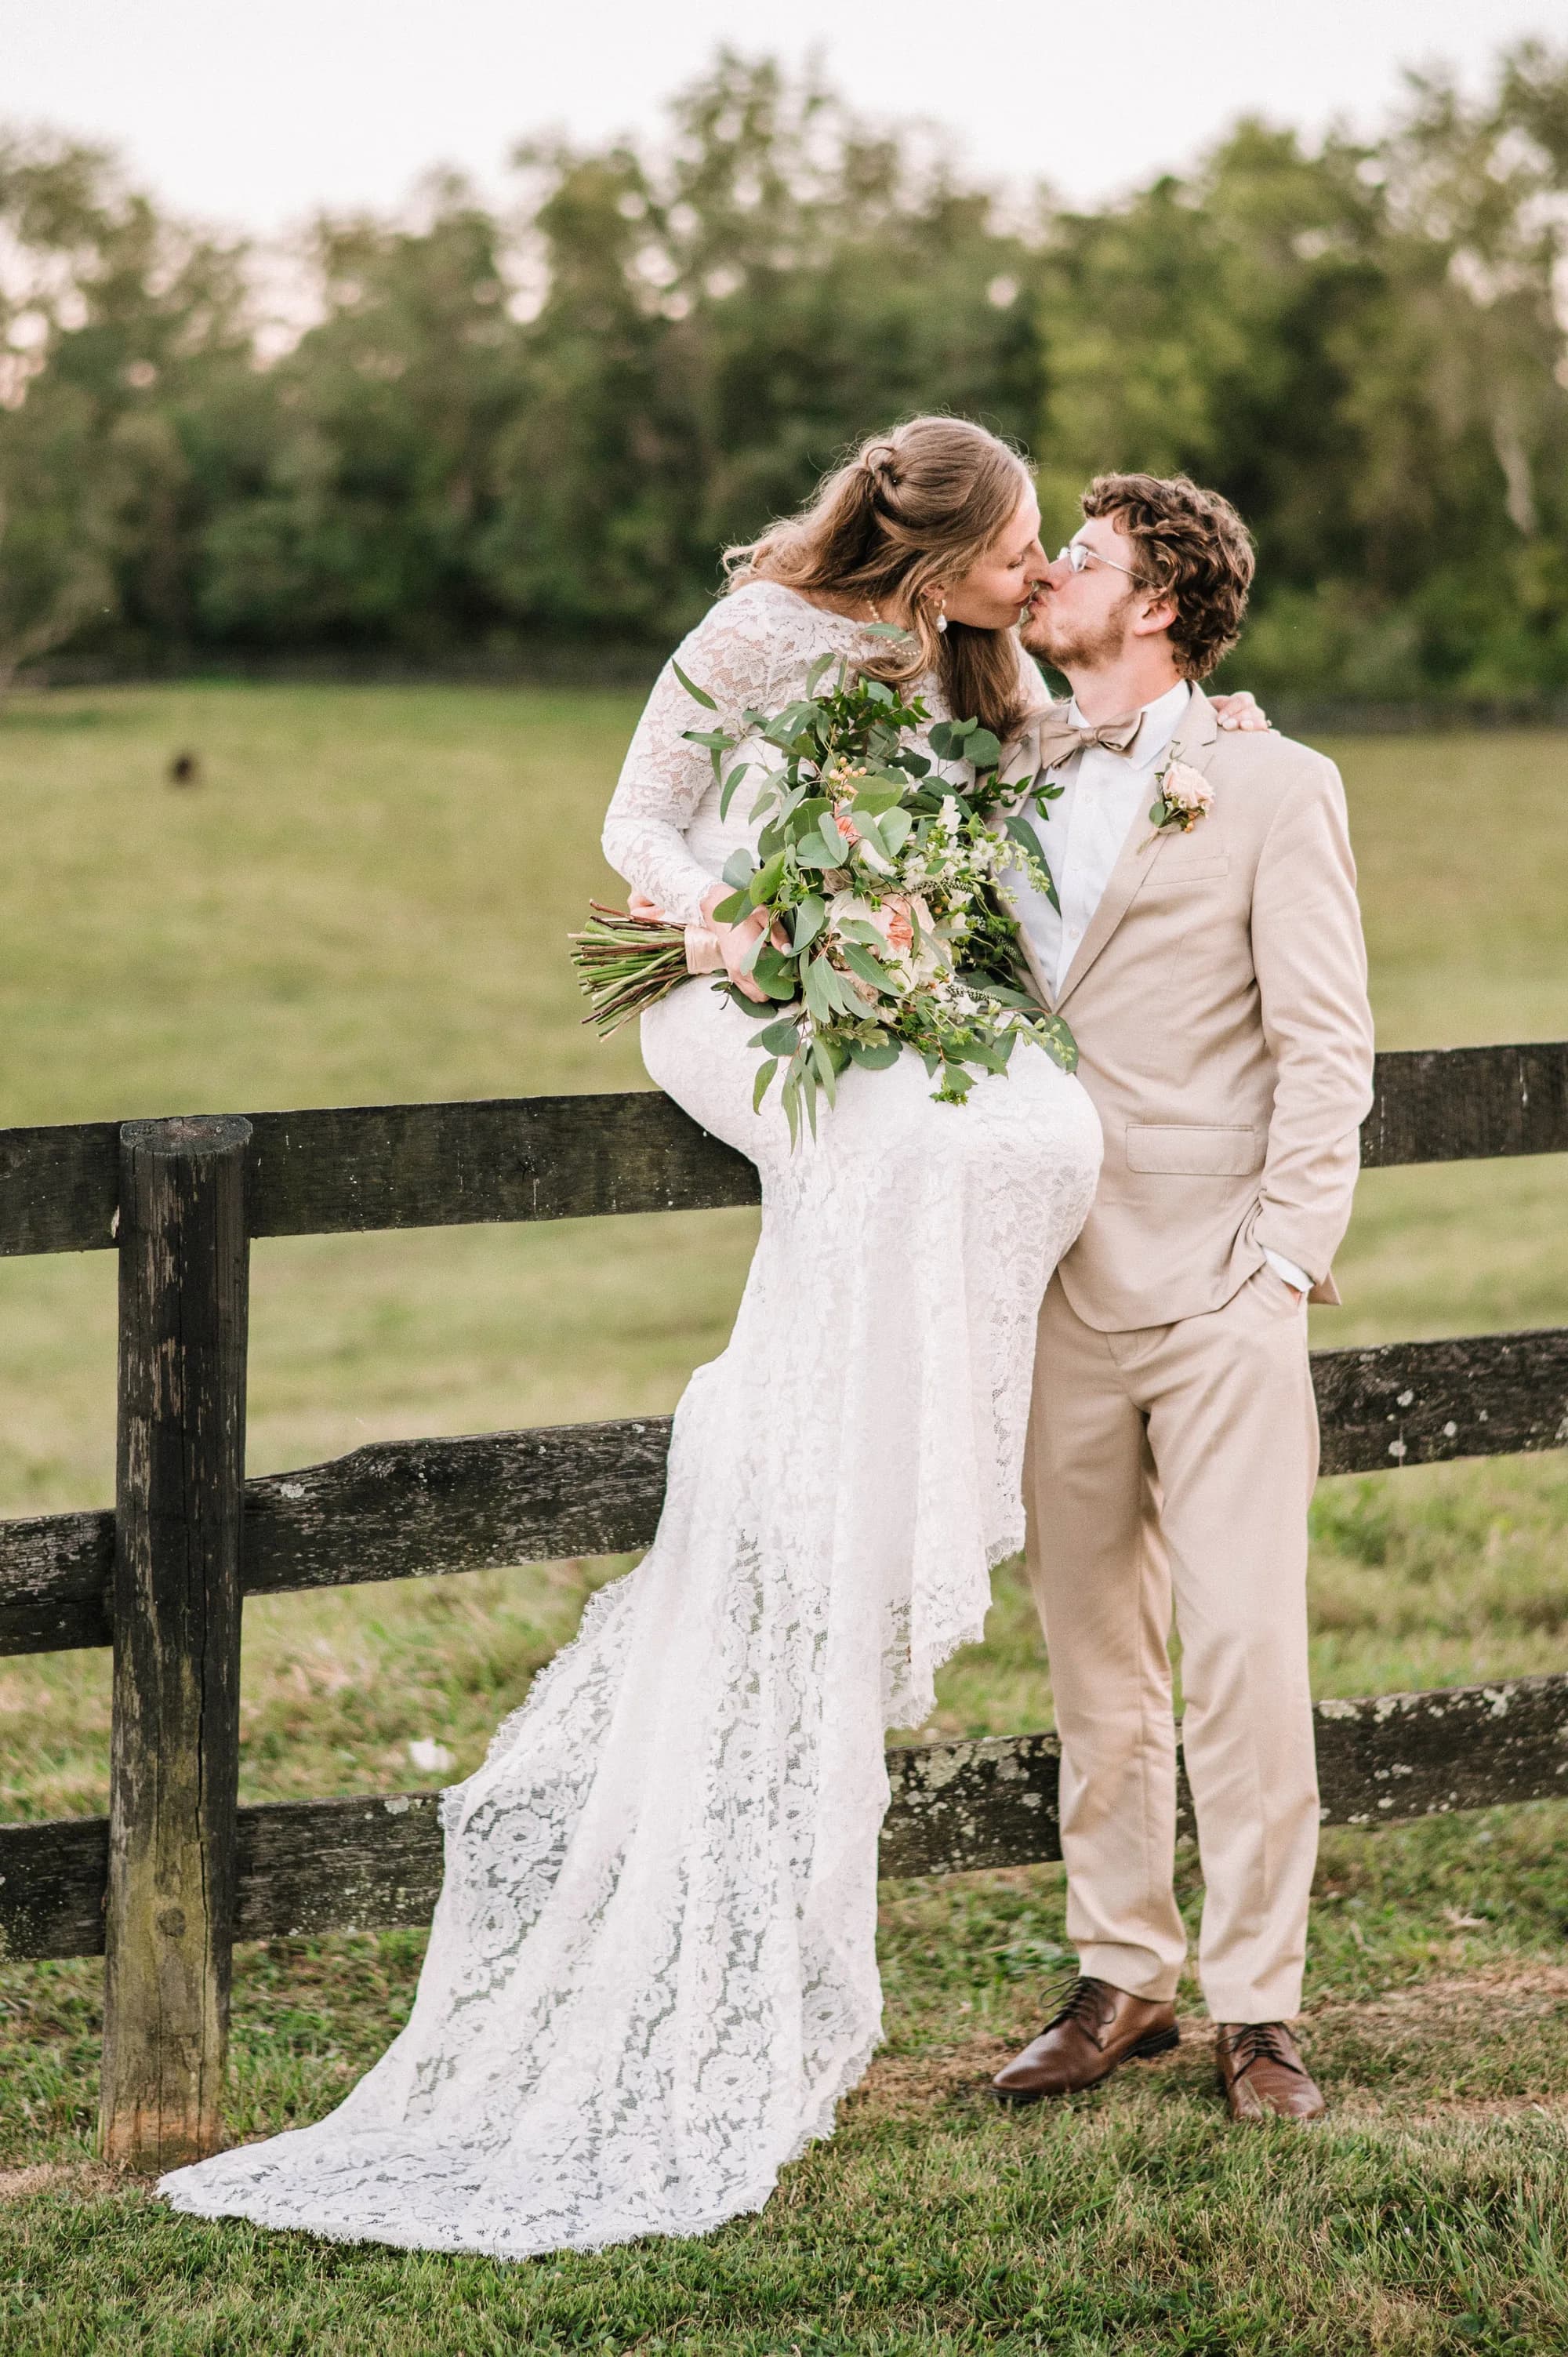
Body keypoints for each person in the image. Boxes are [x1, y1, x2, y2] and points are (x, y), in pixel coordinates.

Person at [158, 421, 1263, 2259]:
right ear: (932, 546)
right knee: (916, 1133)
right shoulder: (752, 634)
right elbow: (636, 820)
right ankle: (835, 1466)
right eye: (1011, 548)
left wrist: (1194, 726)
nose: (1029, 573)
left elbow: (1044, 759)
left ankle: (920, 1457)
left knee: (1038, 1126)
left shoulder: (963, 657)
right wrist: (727, 923)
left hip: (873, 981)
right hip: (728, 989)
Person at [989, 473, 1375, 2125]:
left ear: (1155, 605)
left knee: (1237, 1644)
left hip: (1221, 1276)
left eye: (1078, 556)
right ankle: (1121, 1974)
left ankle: (1261, 2004)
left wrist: (1284, 1259)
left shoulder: (1275, 786)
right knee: (1094, 1657)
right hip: (1047, 1278)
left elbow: (1324, 1039)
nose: (1046, 573)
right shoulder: (991, 773)